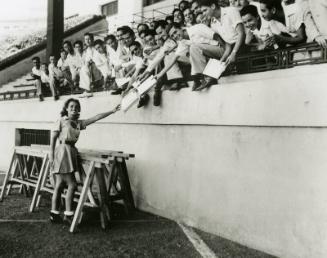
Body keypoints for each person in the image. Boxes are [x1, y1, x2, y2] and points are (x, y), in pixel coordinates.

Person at [49, 98, 120, 225]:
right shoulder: (61, 121)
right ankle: (68, 214)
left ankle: (54, 214)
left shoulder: (78, 123)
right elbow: (53, 138)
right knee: (72, 185)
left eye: (76, 107)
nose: (74, 109)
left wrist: (112, 111)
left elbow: (96, 117)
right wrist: (51, 156)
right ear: (66, 108)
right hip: (63, 151)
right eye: (71, 106)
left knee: (59, 184)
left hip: (70, 151)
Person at [190, 0, 245, 90]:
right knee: (195, 47)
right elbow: (227, 45)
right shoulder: (213, 23)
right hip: (230, 48)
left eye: (204, 10)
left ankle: (210, 78)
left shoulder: (231, 11)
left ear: (212, 6)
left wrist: (233, 53)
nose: (203, 13)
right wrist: (222, 59)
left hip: (241, 45)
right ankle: (204, 78)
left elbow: (241, 34)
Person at [79, 33, 103, 98]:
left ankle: (87, 90)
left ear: (92, 39)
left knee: (85, 68)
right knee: (83, 68)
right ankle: (87, 89)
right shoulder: (88, 50)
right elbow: (87, 61)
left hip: (100, 65)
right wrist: (87, 63)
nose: (88, 41)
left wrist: (91, 61)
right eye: (86, 39)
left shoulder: (96, 47)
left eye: (89, 39)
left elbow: (101, 57)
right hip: (93, 66)